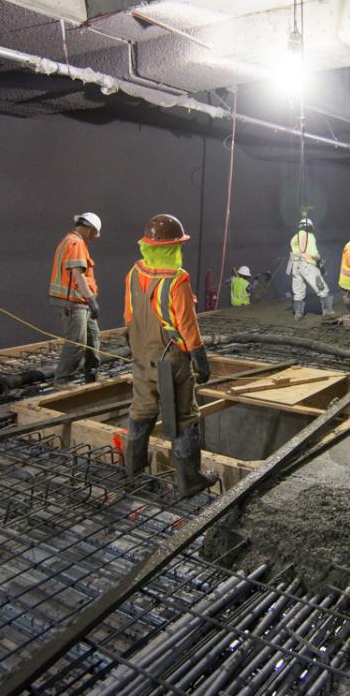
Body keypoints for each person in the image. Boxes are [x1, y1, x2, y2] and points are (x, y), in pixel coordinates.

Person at [122, 213, 218, 497]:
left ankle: (133, 474)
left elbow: (129, 317)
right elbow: (187, 326)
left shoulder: (133, 273)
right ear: (171, 247)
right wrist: (200, 361)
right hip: (171, 361)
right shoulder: (177, 280)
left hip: (141, 359)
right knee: (184, 417)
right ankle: (189, 481)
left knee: (141, 413)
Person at [49, 212, 102, 387]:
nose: (94, 237)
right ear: (90, 229)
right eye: (95, 233)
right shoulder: (76, 243)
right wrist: (91, 299)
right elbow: (78, 275)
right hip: (72, 302)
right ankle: (63, 379)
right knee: (77, 341)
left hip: (79, 302)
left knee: (92, 337)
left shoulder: (70, 240)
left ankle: (92, 373)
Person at [289, 218, 334, 319]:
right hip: (308, 265)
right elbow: (314, 253)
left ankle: (298, 314)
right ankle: (328, 313)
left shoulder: (294, 238)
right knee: (322, 289)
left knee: (298, 291)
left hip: (295, 266)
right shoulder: (309, 235)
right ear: (309, 226)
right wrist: (320, 264)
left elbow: (293, 253)